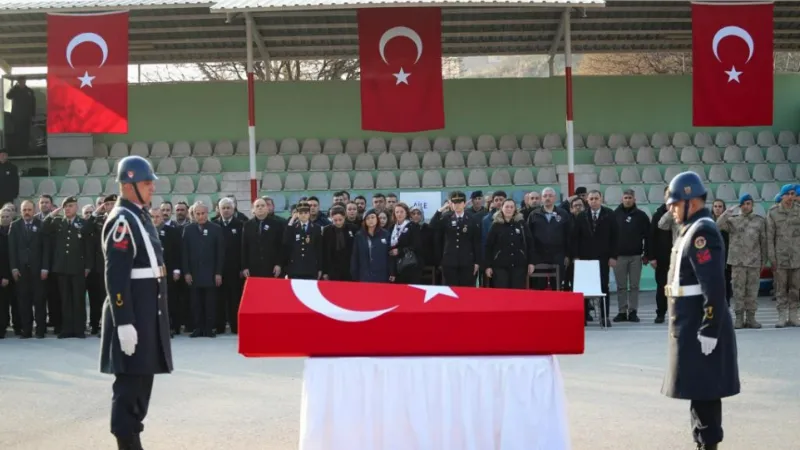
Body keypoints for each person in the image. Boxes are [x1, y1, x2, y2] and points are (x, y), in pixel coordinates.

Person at [99, 155, 173, 450]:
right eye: (146, 183)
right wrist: (124, 321)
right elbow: (116, 276)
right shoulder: (121, 220)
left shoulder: (138, 216)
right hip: (133, 316)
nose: (152, 188)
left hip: (146, 313)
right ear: (128, 186)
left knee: (142, 385)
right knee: (129, 388)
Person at [661, 171, 740, 450]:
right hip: (689, 322)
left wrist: (709, 327)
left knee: (705, 393)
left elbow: (714, 285)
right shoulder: (690, 229)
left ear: (690, 201)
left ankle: (708, 446)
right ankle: (702, 444)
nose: (671, 210)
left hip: (700, 326)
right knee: (697, 390)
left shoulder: (702, 231)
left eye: (674, 204)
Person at [42, 196, 93, 339]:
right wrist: (52, 214)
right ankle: (67, 329)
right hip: (62, 267)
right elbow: (43, 228)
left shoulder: (82, 223)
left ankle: (79, 329)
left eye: (71, 206)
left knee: (78, 299)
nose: (68, 209)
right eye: (66, 206)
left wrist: (88, 266)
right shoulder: (58, 222)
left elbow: (88, 246)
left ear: (76, 207)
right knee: (65, 300)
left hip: (78, 267)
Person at [716, 194, 768, 329]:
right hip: (738, 262)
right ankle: (739, 318)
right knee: (738, 291)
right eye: (743, 204)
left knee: (752, 291)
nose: (746, 206)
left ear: (752, 205)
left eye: (748, 203)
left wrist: (764, 260)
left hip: (754, 262)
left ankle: (751, 318)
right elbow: (717, 225)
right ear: (740, 206)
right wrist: (727, 213)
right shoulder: (733, 221)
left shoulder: (760, 221)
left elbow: (763, 242)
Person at [572, 190, 618, 327]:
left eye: (596, 198)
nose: (593, 201)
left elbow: (615, 237)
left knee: (604, 286)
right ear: (587, 200)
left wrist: (613, 256)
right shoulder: (581, 216)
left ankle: (604, 317)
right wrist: (576, 256)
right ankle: (584, 316)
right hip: (585, 258)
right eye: (591, 199)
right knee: (585, 288)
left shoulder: (609, 214)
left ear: (601, 199)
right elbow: (575, 238)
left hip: (604, 257)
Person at [182, 202, 225, 338]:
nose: (200, 216)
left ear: (208, 213)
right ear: (193, 215)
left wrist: (218, 272)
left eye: (203, 213)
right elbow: (184, 253)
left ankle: (209, 328)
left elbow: (220, 253)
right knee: (195, 303)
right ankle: (198, 328)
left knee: (210, 302)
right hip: (194, 273)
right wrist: (187, 272)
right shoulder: (188, 229)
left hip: (211, 273)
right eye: (197, 214)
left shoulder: (216, 229)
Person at [8, 200, 48, 338]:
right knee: (24, 302)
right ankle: (27, 330)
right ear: (21, 211)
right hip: (21, 271)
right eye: (24, 210)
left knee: (39, 301)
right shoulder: (15, 226)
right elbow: (11, 249)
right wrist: (13, 268)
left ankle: (40, 330)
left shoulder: (41, 225)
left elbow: (46, 249)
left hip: (38, 271)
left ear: (34, 210)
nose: (27, 212)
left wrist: (45, 268)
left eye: (29, 210)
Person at [612, 189, 650, 323]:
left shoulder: (641, 216)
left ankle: (633, 311)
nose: (627, 200)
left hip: (636, 256)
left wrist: (647, 254)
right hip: (619, 257)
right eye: (625, 197)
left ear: (634, 199)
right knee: (621, 286)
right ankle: (622, 311)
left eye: (630, 198)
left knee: (634, 286)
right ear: (622, 199)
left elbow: (648, 236)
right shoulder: (614, 215)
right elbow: (610, 237)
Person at [766, 184, 800, 328]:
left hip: (797, 257)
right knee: (781, 288)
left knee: (795, 288)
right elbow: (769, 237)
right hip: (780, 258)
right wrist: (772, 258)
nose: (791, 197)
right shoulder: (773, 212)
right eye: (789, 194)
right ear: (782, 195)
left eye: (793, 194)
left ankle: (793, 316)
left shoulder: (799, 211)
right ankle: (781, 316)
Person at [430, 191, 481, 287]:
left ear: (464, 204)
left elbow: (476, 242)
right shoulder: (447, 218)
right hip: (449, 262)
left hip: (467, 262)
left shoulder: (472, 219)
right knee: (450, 291)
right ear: (451, 204)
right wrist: (442, 209)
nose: (457, 205)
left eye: (460, 203)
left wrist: (477, 262)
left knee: (466, 292)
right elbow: (432, 225)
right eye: (454, 203)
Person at [527, 187, 571, 291]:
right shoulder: (534, 215)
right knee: (539, 286)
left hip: (558, 255)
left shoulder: (563, 214)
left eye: (550, 196)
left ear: (555, 198)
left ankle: (557, 306)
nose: (547, 198)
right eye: (545, 196)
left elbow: (568, 235)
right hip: (539, 255)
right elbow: (528, 236)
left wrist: (568, 255)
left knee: (557, 285)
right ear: (541, 198)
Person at [485, 200, 535, 289]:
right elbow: (489, 246)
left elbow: (530, 243)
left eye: (511, 207)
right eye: (507, 207)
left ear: (515, 209)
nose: (509, 209)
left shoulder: (521, 224)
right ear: (502, 208)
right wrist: (488, 266)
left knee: (518, 294)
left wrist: (531, 262)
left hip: (519, 265)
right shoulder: (496, 225)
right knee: (502, 294)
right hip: (500, 266)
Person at [212, 198, 244, 334]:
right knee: (219, 299)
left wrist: (242, 267)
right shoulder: (213, 225)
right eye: (223, 208)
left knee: (234, 299)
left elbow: (243, 248)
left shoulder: (241, 225)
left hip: (235, 269)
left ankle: (235, 327)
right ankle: (219, 327)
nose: (225, 210)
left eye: (228, 208)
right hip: (218, 269)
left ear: (233, 209)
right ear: (219, 209)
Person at [150, 207, 182, 337]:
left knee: (169, 300)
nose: (155, 219)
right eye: (152, 217)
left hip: (167, 271)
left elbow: (177, 252)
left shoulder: (172, 232)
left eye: (157, 216)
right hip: (150, 272)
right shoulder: (145, 232)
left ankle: (170, 327)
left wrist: (176, 270)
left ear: (162, 217)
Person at [241, 197, 284, 279]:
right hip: (253, 268)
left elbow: (281, 246)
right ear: (253, 210)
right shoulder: (247, 225)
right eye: (257, 206)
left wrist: (279, 264)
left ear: (267, 209)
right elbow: (244, 247)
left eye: (263, 205)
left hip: (272, 268)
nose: (260, 208)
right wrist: (244, 267)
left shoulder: (277, 224)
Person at [649, 187, 673, 324]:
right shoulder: (658, 214)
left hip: (679, 258)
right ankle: (661, 313)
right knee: (662, 287)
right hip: (662, 258)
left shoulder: (682, 212)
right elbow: (651, 236)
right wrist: (651, 256)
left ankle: (677, 313)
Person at [351, 209, 394, 283]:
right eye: (368, 218)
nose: (370, 220)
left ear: (377, 219)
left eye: (372, 217)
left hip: (382, 274)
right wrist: (354, 273)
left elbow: (390, 255)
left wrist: (392, 272)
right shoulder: (359, 235)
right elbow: (355, 255)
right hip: (364, 275)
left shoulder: (386, 234)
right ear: (364, 221)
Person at [283, 201, 323, 280]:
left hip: (310, 268)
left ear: (309, 213)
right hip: (295, 268)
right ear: (297, 214)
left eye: (305, 212)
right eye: (300, 213)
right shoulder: (292, 227)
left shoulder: (316, 228)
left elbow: (319, 249)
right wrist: (292, 221)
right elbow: (286, 242)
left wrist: (320, 268)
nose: (303, 215)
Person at [389, 202, 422, 284]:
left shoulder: (413, 226)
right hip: (395, 265)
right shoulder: (391, 227)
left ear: (406, 213)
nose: (399, 214)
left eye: (401, 212)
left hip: (409, 264)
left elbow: (417, 246)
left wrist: (400, 250)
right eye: (397, 212)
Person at [322, 206, 357, 281]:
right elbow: (324, 251)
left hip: (349, 267)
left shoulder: (353, 228)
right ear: (331, 218)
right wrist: (325, 272)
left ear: (345, 217)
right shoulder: (326, 230)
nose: (338, 222)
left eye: (340, 220)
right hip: (332, 267)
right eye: (335, 220)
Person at [5, 76, 36, 155]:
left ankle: (25, 150)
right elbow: (8, 96)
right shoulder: (15, 90)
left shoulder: (29, 91)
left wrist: (33, 115)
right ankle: (17, 152)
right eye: (20, 82)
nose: (22, 83)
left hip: (26, 117)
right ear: (18, 82)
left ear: (25, 81)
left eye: (23, 81)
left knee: (26, 134)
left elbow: (33, 104)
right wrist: (14, 87)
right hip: (16, 117)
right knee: (17, 134)